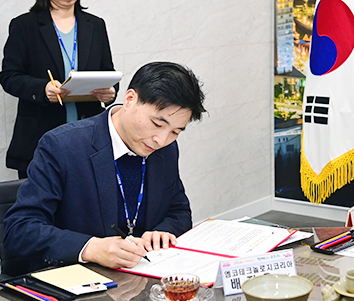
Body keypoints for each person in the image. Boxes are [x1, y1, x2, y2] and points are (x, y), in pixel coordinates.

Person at [3, 62, 206, 275]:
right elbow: (19, 229)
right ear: (130, 99)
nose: (161, 140)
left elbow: (178, 211)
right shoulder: (63, 146)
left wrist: (162, 232)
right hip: (78, 280)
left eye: (175, 132)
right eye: (157, 124)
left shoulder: (166, 149)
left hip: (143, 276)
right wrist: (89, 248)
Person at [0, 0, 117, 179]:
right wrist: (42, 89)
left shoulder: (95, 25)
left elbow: (107, 72)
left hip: (88, 138)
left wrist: (110, 92)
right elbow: (9, 76)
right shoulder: (24, 26)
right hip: (39, 139)